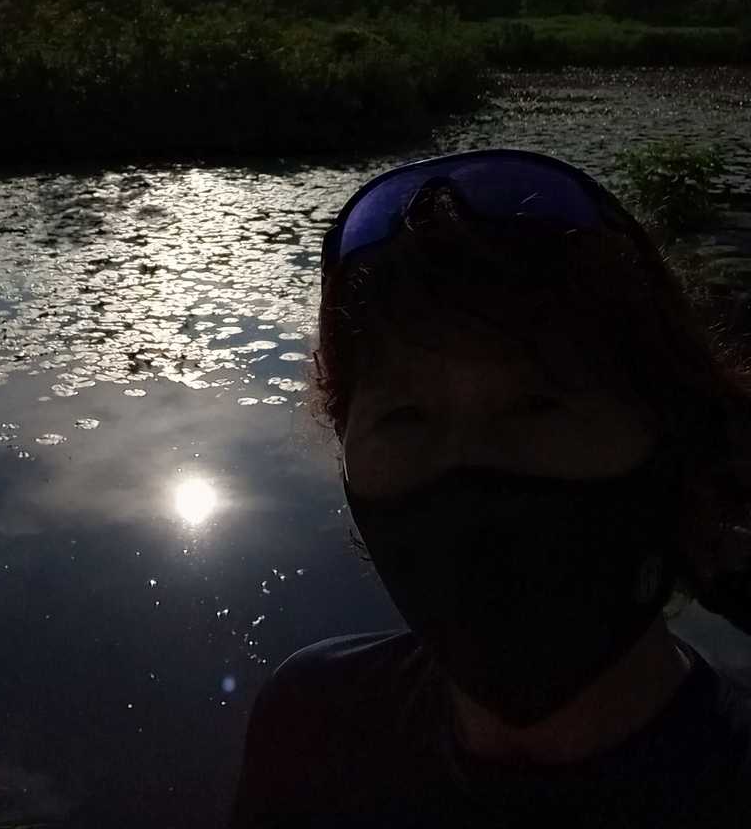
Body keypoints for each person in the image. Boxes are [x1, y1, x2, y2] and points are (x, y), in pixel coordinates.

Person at [231, 148, 751, 828]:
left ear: (666, 430)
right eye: (405, 416)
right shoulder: (309, 729)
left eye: (537, 404)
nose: (467, 465)